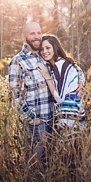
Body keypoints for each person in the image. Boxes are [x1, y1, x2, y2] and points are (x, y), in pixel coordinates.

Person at [8, 22, 57, 159]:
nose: (37, 37)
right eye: (32, 33)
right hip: (37, 125)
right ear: (24, 37)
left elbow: (69, 65)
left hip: (55, 121)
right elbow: (14, 93)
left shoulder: (47, 54)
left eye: (39, 33)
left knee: (54, 165)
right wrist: (31, 119)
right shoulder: (18, 61)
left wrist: (80, 79)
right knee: (37, 167)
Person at [40, 34, 86, 128]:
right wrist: (81, 82)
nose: (44, 51)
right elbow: (79, 71)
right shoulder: (62, 63)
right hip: (73, 112)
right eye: (42, 49)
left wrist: (47, 78)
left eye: (48, 48)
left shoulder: (60, 65)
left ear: (55, 48)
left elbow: (59, 98)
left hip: (69, 116)